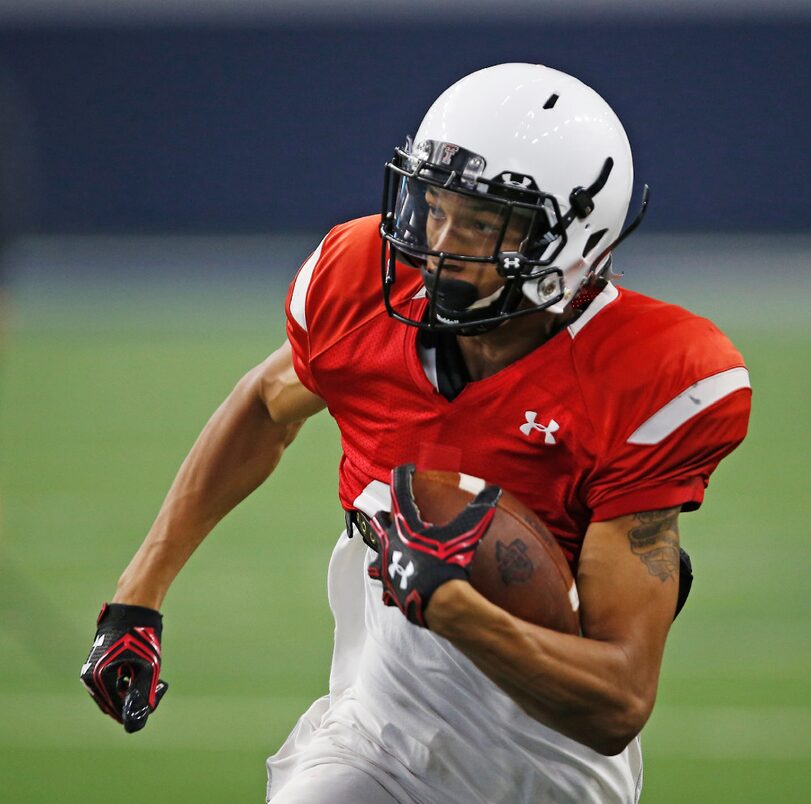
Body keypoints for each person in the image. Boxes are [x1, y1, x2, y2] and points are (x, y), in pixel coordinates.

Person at [81, 64, 751, 803]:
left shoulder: (649, 372)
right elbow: (265, 404)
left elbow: (616, 702)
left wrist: (456, 608)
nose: (439, 243)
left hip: (546, 756)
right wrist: (137, 597)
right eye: (434, 206)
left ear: (568, 235)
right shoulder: (363, 281)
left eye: (481, 223)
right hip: (379, 722)